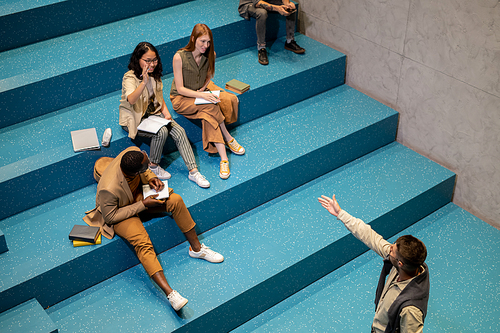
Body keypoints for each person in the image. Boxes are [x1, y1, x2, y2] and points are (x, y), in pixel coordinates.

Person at [83, 147, 224, 311]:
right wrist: (142, 205)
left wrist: (151, 177)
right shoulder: (108, 188)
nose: (149, 163)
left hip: (137, 195)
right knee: (143, 243)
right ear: (135, 173)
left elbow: (145, 170)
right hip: (121, 212)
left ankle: (197, 249)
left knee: (175, 200)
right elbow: (110, 217)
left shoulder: (132, 152)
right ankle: (171, 294)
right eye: (146, 166)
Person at [318, 194, 430, 333]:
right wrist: (340, 213)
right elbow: (370, 237)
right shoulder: (409, 265)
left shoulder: (411, 310)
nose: (389, 248)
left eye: (392, 249)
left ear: (400, 263)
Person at [119, 42, 210, 188]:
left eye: (154, 60)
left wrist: (167, 115)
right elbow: (131, 99)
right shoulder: (129, 77)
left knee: (179, 131)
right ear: (138, 60)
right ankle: (153, 166)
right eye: (147, 60)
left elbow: (159, 98)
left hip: (153, 114)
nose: (152, 64)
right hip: (135, 118)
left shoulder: (154, 74)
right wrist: (143, 82)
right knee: (161, 132)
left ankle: (193, 172)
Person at [171, 23, 244, 180]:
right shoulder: (179, 57)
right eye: (202, 41)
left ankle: (224, 158)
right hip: (181, 99)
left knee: (208, 112)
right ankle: (228, 138)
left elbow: (209, 75)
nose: (206, 45)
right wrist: (202, 96)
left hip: (198, 94)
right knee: (210, 104)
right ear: (193, 39)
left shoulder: (211, 55)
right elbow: (180, 89)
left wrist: (204, 89)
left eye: (208, 42)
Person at [238, 0, 305, 65]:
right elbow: (257, 3)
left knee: (292, 6)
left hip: (267, 1)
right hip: (250, 3)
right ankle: (261, 48)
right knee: (262, 13)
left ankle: (290, 41)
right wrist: (277, 8)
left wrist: (287, 4)